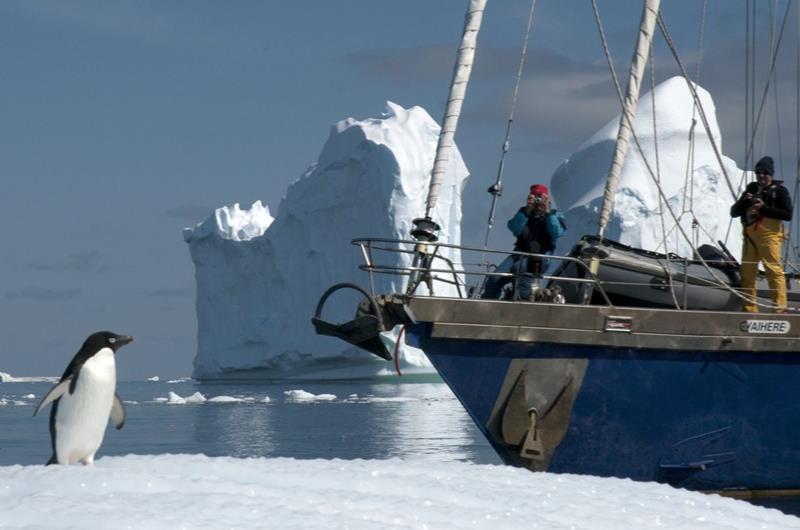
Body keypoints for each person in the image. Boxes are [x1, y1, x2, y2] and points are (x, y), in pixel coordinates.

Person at [483, 183, 567, 300]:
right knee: (495, 277)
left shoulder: (555, 215)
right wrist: (526, 211)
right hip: (519, 253)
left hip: (540, 257)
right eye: (534, 197)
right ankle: (488, 304)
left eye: (540, 197)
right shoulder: (524, 213)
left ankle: (522, 301)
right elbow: (514, 228)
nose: (537, 201)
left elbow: (557, 232)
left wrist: (547, 212)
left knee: (519, 269)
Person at [730, 155, 793, 312]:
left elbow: (787, 214)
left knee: (773, 270)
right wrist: (745, 201)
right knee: (748, 273)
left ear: (771, 174)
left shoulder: (779, 191)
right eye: (758, 173)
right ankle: (749, 308)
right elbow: (734, 212)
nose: (761, 176)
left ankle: (780, 308)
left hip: (769, 236)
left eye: (765, 173)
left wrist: (763, 208)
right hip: (750, 236)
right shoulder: (751, 189)